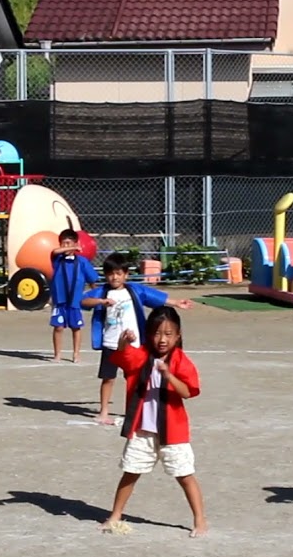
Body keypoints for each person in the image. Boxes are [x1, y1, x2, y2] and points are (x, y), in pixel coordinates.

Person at [101, 306, 207, 538]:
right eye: (157, 333)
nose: (162, 339)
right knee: (130, 471)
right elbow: (123, 360)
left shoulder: (181, 361)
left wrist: (169, 375)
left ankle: (200, 520)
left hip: (173, 432)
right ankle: (115, 515)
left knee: (184, 474)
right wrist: (123, 344)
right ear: (149, 333)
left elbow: (188, 392)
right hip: (142, 430)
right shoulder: (141, 355)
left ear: (178, 336)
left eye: (169, 334)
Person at [81, 252, 192, 426]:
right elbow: (83, 301)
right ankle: (103, 412)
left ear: (126, 274)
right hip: (111, 344)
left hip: (134, 345)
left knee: (134, 379)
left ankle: (134, 411)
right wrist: (101, 302)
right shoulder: (102, 291)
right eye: (110, 273)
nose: (114, 277)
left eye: (118, 273)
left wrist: (176, 302)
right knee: (108, 378)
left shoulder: (134, 290)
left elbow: (154, 296)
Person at [49, 228, 100, 363]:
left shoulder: (82, 262)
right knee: (58, 327)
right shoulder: (58, 259)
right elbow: (54, 252)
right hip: (60, 300)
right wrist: (70, 247)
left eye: (69, 243)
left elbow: (92, 280)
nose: (66, 247)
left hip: (75, 301)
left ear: (76, 243)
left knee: (76, 327)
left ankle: (76, 353)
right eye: (63, 244)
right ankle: (57, 354)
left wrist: (96, 296)